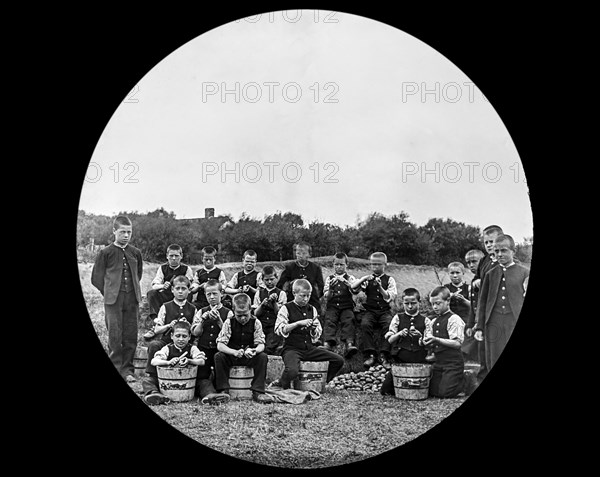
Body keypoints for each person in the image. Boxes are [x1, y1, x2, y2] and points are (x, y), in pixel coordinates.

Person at [91, 215, 143, 383]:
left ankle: (128, 370)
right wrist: (108, 292)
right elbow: (96, 278)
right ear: (114, 231)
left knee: (131, 335)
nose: (126, 235)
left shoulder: (135, 252)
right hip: (112, 300)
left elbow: (138, 274)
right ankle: (116, 367)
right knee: (115, 335)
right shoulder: (105, 252)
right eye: (122, 232)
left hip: (132, 299)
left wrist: (131, 290)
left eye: (129, 232)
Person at [274, 279, 344, 389]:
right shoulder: (286, 308)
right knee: (292, 371)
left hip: (309, 348)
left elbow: (317, 334)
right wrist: (297, 324)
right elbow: (279, 329)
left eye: (308, 295)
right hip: (292, 349)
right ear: (294, 293)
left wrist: (313, 329)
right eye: (302, 296)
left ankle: (323, 382)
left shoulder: (312, 309)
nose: (306, 299)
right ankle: (282, 384)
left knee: (338, 360)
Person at [474, 234, 529, 372]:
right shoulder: (490, 274)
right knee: (494, 357)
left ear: (513, 251)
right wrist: (479, 327)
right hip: (493, 322)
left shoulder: (524, 273)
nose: (499, 254)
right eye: (496, 251)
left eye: (503, 250)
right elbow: (483, 302)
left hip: (513, 320)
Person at [143, 320, 227, 405]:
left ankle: (210, 396)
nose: (181, 339)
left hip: (189, 382)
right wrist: (168, 362)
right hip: (168, 382)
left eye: (184, 336)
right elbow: (154, 361)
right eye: (178, 336)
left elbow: (201, 361)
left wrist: (190, 361)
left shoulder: (192, 348)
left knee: (204, 382)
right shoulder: (167, 348)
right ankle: (155, 394)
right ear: (172, 336)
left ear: (189, 337)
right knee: (148, 380)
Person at [143, 275, 198, 397]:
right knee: (154, 345)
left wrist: (188, 326)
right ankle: (153, 382)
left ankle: (193, 383)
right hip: (167, 342)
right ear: (172, 290)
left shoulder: (193, 309)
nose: (180, 291)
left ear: (189, 291)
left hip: (186, 344)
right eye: (177, 288)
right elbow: (157, 329)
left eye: (183, 288)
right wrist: (169, 325)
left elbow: (195, 331)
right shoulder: (165, 306)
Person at [213, 293, 273, 403]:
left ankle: (258, 391)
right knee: (219, 357)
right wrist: (234, 352)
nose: (243, 318)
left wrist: (255, 351)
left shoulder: (256, 322)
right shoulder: (229, 322)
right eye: (239, 315)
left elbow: (261, 344)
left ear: (250, 309)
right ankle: (223, 390)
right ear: (233, 310)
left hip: (249, 356)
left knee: (263, 357)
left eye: (245, 314)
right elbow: (220, 345)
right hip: (233, 356)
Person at [423, 286, 477, 398]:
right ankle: (450, 381)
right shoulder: (434, 321)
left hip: (453, 363)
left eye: (438, 303)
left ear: (448, 301)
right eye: (433, 304)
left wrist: (436, 339)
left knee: (445, 393)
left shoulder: (454, 319)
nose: (435, 307)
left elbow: (457, 344)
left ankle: (466, 379)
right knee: (432, 392)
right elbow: (430, 342)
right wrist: (423, 341)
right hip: (439, 363)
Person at [351, 252, 398, 369]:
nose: (375, 267)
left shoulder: (390, 280)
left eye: (378, 264)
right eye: (372, 264)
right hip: (370, 311)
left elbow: (389, 297)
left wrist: (380, 287)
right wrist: (363, 279)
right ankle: (370, 354)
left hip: (384, 310)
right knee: (365, 324)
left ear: (384, 265)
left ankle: (384, 354)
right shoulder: (368, 279)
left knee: (389, 325)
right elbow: (354, 289)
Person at [380, 288, 430, 395]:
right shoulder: (398, 318)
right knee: (386, 390)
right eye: (407, 303)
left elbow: (428, 343)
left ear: (419, 302)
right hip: (401, 360)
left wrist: (420, 337)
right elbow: (390, 340)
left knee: (422, 387)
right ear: (403, 303)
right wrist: (399, 334)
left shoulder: (426, 320)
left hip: (420, 360)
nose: (410, 306)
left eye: (413, 303)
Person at [471, 225, 503, 383]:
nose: (489, 245)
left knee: (495, 347)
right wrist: (476, 281)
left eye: (492, 241)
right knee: (482, 347)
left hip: (497, 310)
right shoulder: (484, 260)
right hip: (483, 309)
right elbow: (476, 278)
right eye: (486, 242)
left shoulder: (505, 260)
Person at [144, 244, 195, 340]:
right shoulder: (162, 268)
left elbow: (190, 285)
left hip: (179, 297)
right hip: (167, 295)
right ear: (167, 256)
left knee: (189, 293)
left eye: (176, 256)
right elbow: (155, 284)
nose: (174, 258)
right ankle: (156, 323)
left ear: (181, 256)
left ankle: (183, 323)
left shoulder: (187, 269)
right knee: (151, 293)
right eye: (171, 256)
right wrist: (163, 285)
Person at [191, 279, 233, 383]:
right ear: (205, 295)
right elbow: (195, 333)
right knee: (201, 378)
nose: (212, 297)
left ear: (222, 294)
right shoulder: (201, 311)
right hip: (203, 349)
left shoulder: (228, 313)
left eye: (215, 294)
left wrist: (219, 321)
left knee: (219, 377)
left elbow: (230, 335)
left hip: (220, 350)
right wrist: (202, 321)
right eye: (208, 294)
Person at [322, 252, 359, 358]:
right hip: (333, 306)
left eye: (341, 264)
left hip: (346, 306)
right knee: (329, 319)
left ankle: (349, 343)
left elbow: (355, 292)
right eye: (336, 264)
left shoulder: (350, 278)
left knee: (349, 319)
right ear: (333, 265)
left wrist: (349, 286)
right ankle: (328, 343)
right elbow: (326, 297)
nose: (339, 267)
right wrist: (331, 290)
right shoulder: (329, 279)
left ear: (346, 265)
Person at [277, 242, 325, 312]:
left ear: (309, 254)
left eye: (304, 253)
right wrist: (291, 284)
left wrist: (316, 295)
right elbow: (280, 285)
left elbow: (321, 287)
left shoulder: (315, 268)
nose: (300, 256)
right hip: (293, 299)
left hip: (311, 300)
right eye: (298, 253)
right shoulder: (290, 268)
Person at [253, 265, 286, 355]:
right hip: (261, 325)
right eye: (266, 280)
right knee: (260, 345)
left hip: (274, 326)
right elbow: (256, 313)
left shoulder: (281, 293)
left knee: (271, 346)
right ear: (262, 280)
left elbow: (280, 314)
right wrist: (262, 304)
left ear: (276, 278)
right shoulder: (259, 293)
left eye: (272, 279)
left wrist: (274, 303)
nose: (269, 282)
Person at [443, 261, 472, 361]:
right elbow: (440, 302)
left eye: (457, 273)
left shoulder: (468, 288)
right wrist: (450, 296)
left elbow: (474, 306)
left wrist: (463, 300)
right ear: (448, 274)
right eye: (452, 273)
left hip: (465, 316)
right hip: (449, 315)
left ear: (463, 273)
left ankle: (464, 353)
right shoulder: (445, 288)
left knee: (468, 328)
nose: (455, 275)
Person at [463, 249, 485, 363]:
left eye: (474, 261)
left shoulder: (487, 278)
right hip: (476, 322)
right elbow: (473, 307)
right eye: (468, 262)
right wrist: (469, 325)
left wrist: (478, 324)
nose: (471, 265)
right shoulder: (473, 281)